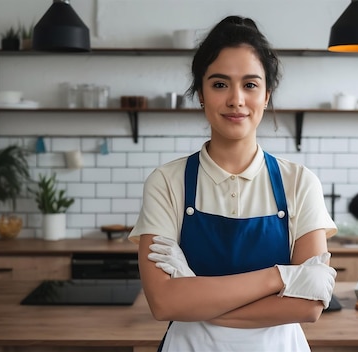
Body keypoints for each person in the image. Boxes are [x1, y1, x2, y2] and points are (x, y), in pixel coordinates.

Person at [129, 15, 337, 352]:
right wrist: (280, 278)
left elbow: (307, 307)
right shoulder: (167, 183)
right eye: (220, 84)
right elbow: (164, 304)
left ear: (267, 94)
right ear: (200, 93)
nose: (236, 99)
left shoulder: (299, 183)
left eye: (250, 85)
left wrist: (193, 292)